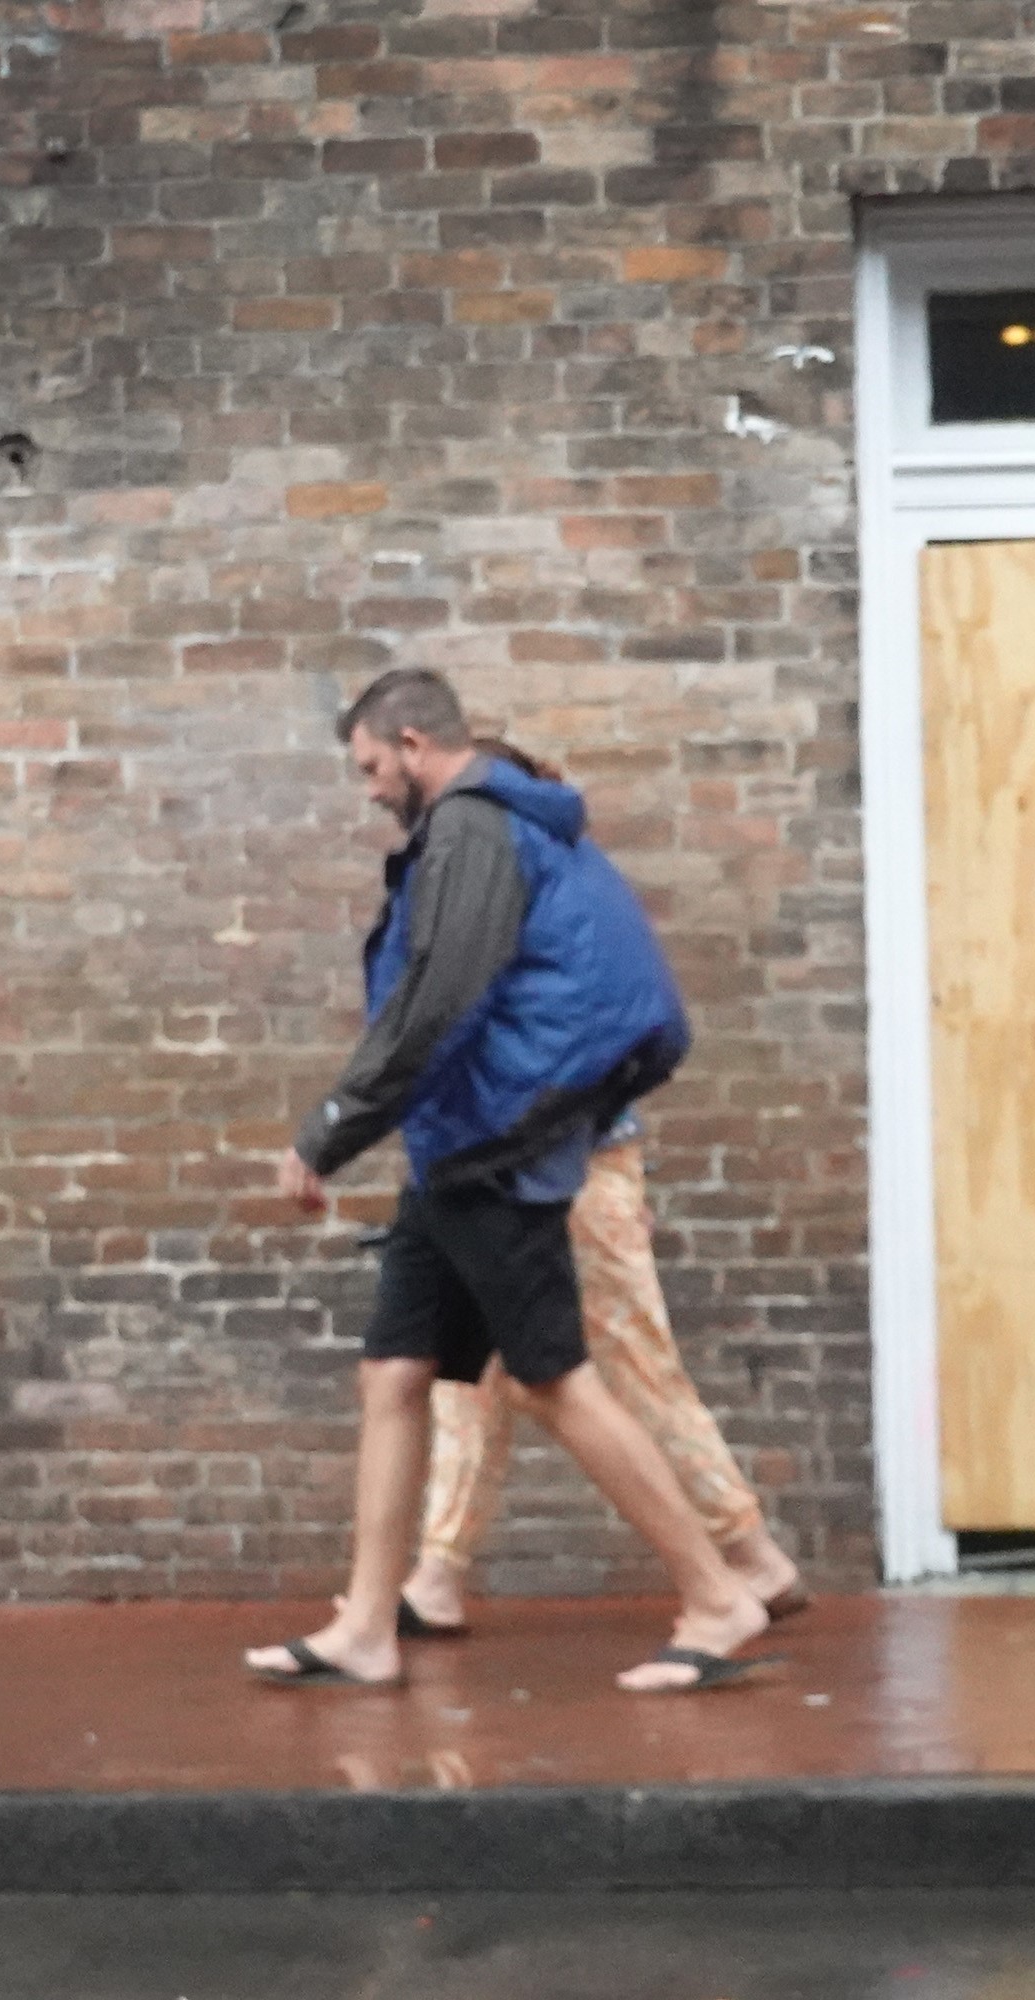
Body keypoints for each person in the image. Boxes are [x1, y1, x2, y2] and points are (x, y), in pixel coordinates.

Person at [245, 668, 774, 1695]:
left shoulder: (473, 828)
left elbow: (440, 995)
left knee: (555, 1379)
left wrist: (330, 1129)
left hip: (496, 1143)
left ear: (410, 741)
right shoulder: (487, 825)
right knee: (393, 1373)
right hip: (458, 1144)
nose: (366, 789)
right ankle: (365, 1622)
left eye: (368, 766)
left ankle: (718, 1593)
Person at [397, 746, 804, 1636]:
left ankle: (751, 1557)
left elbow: (547, 1026)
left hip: (559, 1163)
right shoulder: (551, 864)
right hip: (522, 1162)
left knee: (630, 1366)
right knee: (471, 1376)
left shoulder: (512, 868)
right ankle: (436, 1576)